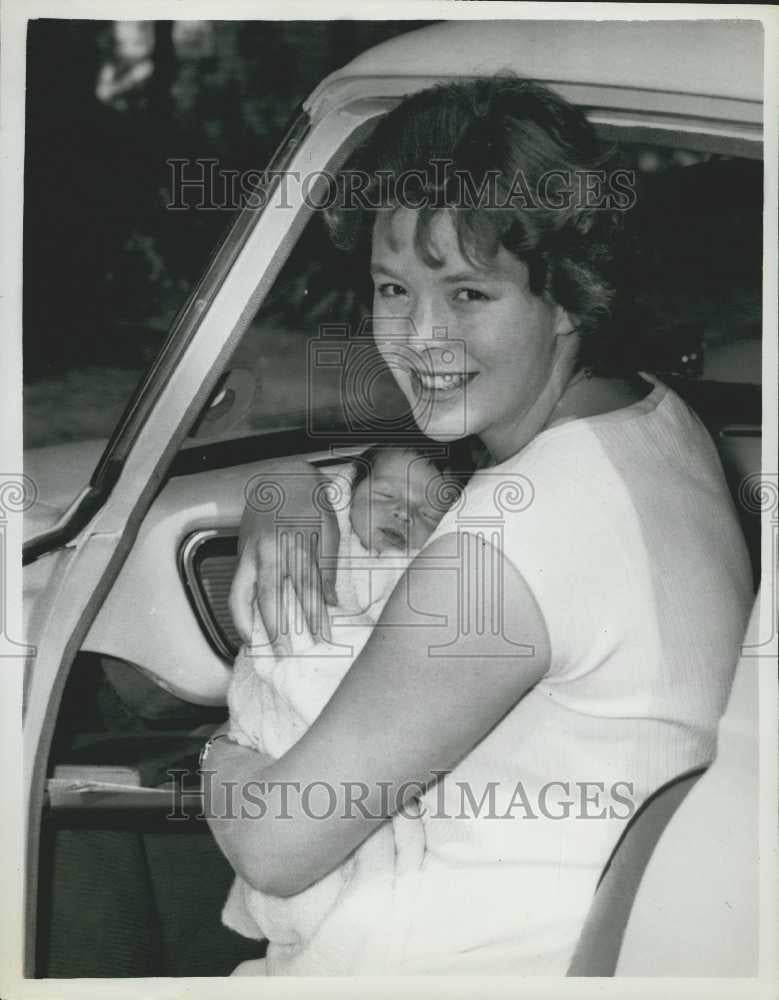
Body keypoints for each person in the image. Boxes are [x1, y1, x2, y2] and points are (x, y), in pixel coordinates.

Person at [203, 76, 754, 976]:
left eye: (467, 295)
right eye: (393, 288)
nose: (420, 338)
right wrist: (288, 490)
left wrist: (225, 747)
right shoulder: (650, 421)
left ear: (569, 296)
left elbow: (271, 845)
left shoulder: (508, 541)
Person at [220, 445, 471, 971]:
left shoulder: (428, 578)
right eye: (385, 497)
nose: (405, 515)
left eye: (428, 513)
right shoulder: (334, 554)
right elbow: (284, 626)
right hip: (292, 732)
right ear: (347, 500)